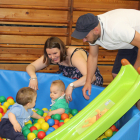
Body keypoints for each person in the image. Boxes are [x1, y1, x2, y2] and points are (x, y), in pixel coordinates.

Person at [71, 9, 140, 109]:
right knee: (117, 74)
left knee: (137, 79)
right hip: (129, 41)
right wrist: (88, 81)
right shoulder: (93, 29)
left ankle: (137, 115)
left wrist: (136, 68)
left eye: (85, 36)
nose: (84, 40)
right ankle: (132, 107)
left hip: (137, 37)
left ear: (96, 30)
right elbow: (93, 56)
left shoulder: (116, 28)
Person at [26, 36, 103, 102]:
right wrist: (33, 77)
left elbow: (91, 77)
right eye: (49, 54)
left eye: (55, 53)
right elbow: (31, 66)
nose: (52, 57)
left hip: (90, 81)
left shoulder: (74, 55)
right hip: (73, 79)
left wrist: (71, 85)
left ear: (62, 50)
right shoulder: (51, 55)